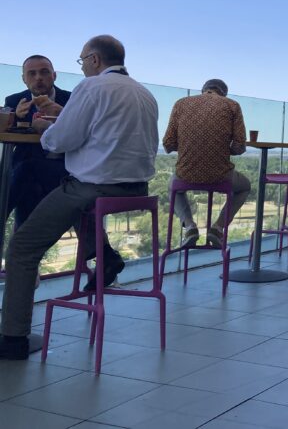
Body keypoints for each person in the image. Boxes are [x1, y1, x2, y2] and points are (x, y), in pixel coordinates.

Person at [0, 35, 159, 360]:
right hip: (138, 189)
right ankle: (102, 255)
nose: (83, 66)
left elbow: (61, 139)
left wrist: (46, 133)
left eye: (82, 60)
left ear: (95, 60)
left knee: (22, 247)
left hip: (95, 187)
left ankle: (12, 339)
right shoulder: (145, 93)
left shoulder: (91, 88)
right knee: (62, 189)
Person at [163, 79, 251, 248]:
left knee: (172, 186)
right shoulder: (232, 105)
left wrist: (189, 145)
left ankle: (189, 226)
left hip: (185, 174)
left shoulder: (181, 104)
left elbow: (168, 144)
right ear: (224, 93)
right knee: (245, 186)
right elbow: (240, 146)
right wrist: (221, 149)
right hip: (220, 175)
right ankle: (217, 228)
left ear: (203, 90)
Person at [3, 55, 72, 229]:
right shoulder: (14, 101)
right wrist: (15, 116)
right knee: (26, 186)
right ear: (24, 79)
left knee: (25, 176)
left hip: (63, 169)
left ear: (54, 76)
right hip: (25, 172)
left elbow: (82, 131)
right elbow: (5, 127)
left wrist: (62, 114)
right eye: (32, 74)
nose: (38, 78)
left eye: (44, 72)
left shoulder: (72, 100)